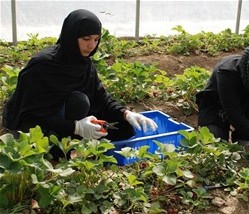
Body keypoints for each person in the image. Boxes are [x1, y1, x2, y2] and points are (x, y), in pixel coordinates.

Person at [2, 9, 157, 159]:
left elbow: (101, 98)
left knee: (122, 127)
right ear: (71, 36)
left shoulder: (84, 64)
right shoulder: (42, 66)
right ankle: (54, 155)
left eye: (96, 40)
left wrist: (126, 114)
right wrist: (76, 127)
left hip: (61, 121)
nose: (91, 46)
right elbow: (32, 115)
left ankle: (64, 149)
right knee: (79, 103)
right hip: (29, 127)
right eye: (86, 39)